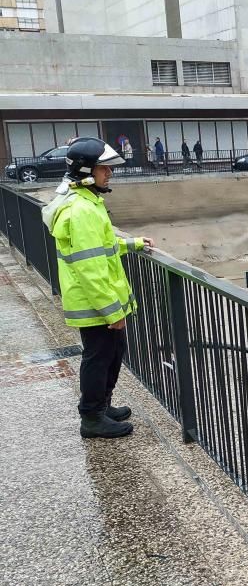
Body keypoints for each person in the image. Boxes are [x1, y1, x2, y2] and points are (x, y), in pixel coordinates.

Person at [41, 138, 152, 439]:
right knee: (99, 356)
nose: (109, 174)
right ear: (86, 171)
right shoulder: (82, 211)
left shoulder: (87, 202)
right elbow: (89, 267)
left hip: (95, 300)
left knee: (112, 353)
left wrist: (133, 243)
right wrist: (111, 311)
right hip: (95, 303)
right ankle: (91, 417)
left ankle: (101, 406)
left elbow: (100, 247)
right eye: (104, 169)